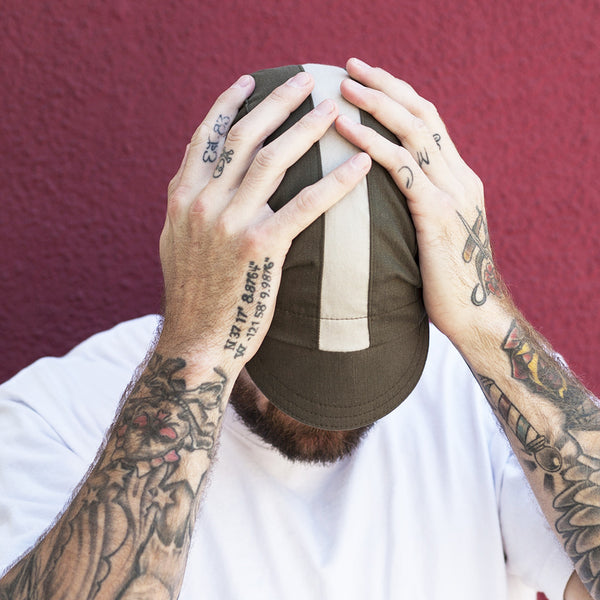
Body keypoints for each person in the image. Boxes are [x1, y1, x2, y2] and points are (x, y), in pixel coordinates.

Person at [0, 58, 597, 600]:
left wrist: (484, 314)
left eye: (370, 363)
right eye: (288, 356)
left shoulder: (485, 398)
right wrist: (198, 351)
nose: (329, 409)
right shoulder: (55, 418)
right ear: (205, 269)